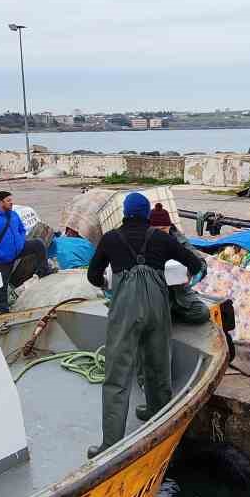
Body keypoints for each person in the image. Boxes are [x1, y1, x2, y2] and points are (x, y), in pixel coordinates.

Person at [87, 193, 205, 456]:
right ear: (146, 214)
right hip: (157, 307)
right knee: (158, 365)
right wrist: (186, 279)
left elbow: (93, 275)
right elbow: (195, 263)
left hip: (125, 309)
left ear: (125, 213)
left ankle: (111, 443)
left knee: (117, 375)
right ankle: (158, 419)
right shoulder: (162, 238)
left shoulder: (110, 239)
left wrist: (107, 284)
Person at [0, 191, 49, 312]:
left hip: (18, 250)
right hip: (2, 259)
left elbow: (22, 229)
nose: (11, 203)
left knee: (38, 244)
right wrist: (1, 255)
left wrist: (20, 242)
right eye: (8, 201)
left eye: (11, 200)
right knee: (1, 286)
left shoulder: (13, 214)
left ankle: (43, 271)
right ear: (0, 202)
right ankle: (4, 311)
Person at [150, 204, 209, 326]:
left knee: (202, 313)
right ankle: (167, 314)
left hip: (180, 295)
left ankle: (171, 313)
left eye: (163, 229)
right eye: (156, 230)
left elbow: (200, 263)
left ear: (169, 227)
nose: (161, 233)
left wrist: (192, 276)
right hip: (154, 296)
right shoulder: (144, 242)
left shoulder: (177, 240)